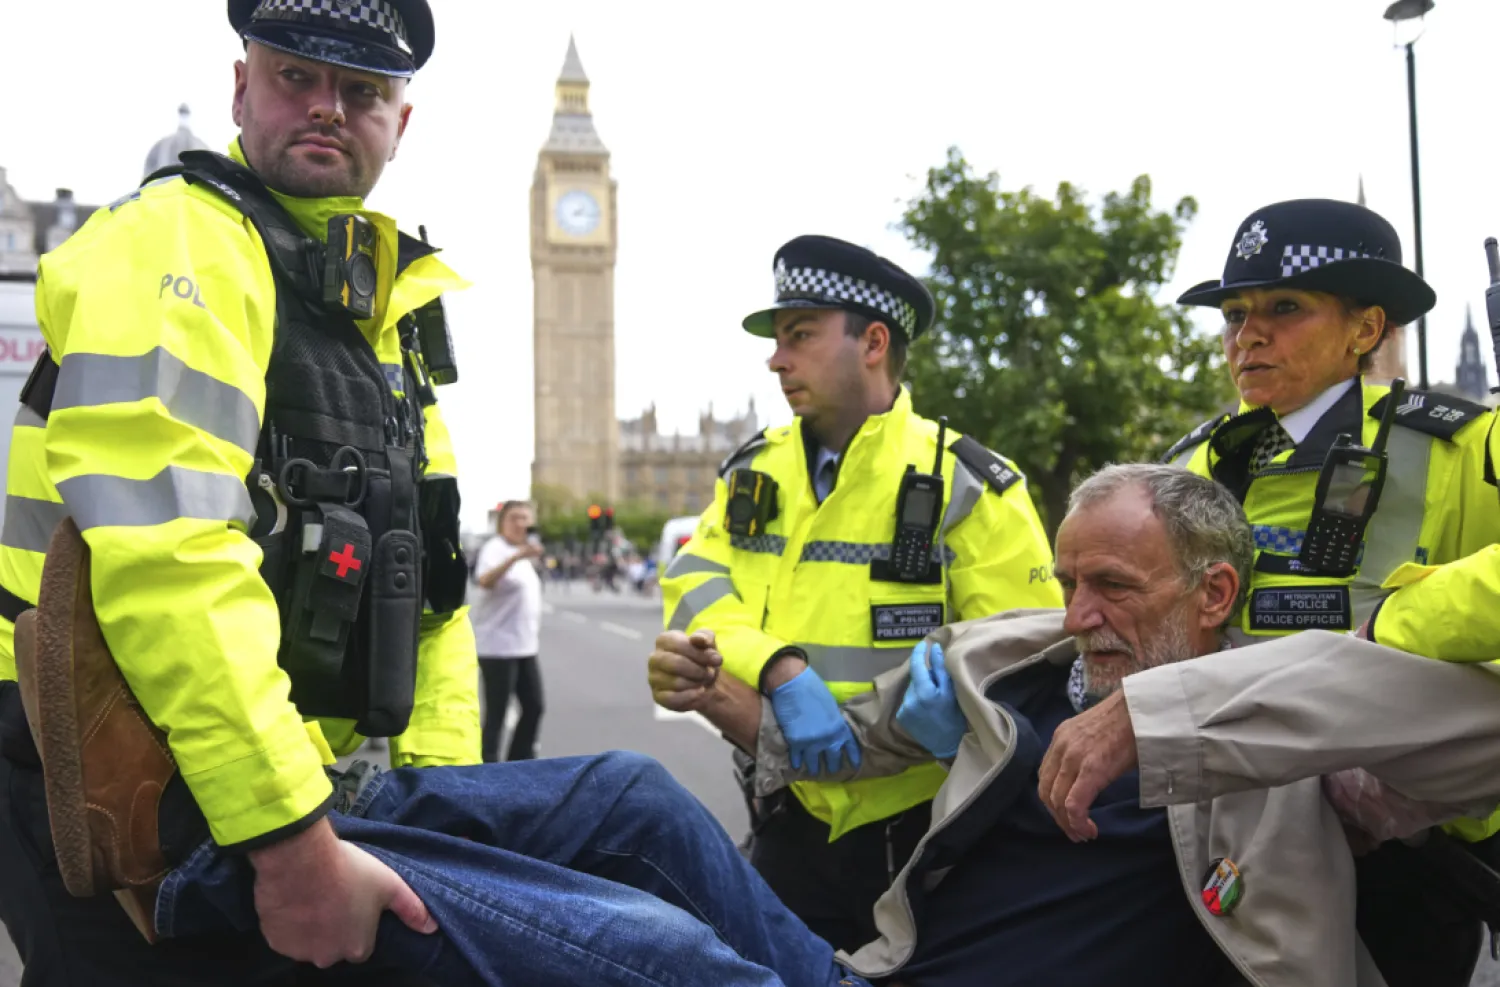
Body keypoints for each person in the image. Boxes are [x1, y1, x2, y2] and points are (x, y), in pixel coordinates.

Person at [0, 2, 481, 983]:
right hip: (91, 750)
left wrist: (442, 801)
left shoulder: (383, 314)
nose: (328, 109)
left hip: (269, 776)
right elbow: (169, 555)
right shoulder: (177, 243)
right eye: (295, 77)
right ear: (240, 87)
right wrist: (289, 829)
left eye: (361, 91)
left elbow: (432, 596)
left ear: (401, 121)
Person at [651, 463, 1500, 986]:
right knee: (630, 803)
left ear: (1215, 596)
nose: (1077, 615)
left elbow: (1480, 731)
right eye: (1066, 582)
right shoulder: (1001, 665)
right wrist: (712, 691)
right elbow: (839, 748)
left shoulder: (1292, 720)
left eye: (1114, 585)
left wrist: (1153, 715)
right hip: (882, 973)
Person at [658, 234, 1062, 950]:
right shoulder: (755, 470)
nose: (776, 357)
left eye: (800, 334)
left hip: (929, 825)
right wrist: (779, 666)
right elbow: (694, 585)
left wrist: (964, 720)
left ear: (873, 341)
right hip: (788, 815)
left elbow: (1032, 651)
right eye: (778, 339)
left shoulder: (970, 482)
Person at [1163, 198, 1500, 982]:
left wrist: (1400, 625)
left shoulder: (1458, 445)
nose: (1247, 334)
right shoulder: (1198, 466)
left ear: (1366, 328)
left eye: (1284, 307)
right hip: (1227, 828)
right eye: (1234, 312)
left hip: (1404, 852)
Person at [470, 501, 546, 762]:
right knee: (497, 715)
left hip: (525, 647)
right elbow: (484, 580)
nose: (521, 524)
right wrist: (515, 558)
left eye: (526, 518)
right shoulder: (496, 549)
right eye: (515, 518)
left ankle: (518, 763)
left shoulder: (523, 554)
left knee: (535, 707)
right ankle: (488, 768)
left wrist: (522, 555)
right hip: (497, 648)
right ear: (502, 522)